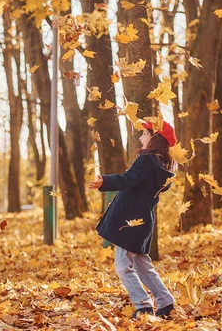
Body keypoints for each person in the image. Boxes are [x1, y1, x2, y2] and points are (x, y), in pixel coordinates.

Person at [89, 120, 177, 319]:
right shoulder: (163, 166)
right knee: (142, 265)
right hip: (143, 221)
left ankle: (143, 306)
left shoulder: (146, 161)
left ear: (154, 139)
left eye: (145, 134)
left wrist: (105, 181)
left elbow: (128, 179)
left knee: (122, 266)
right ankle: (166, 302)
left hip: (129, 222)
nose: (140, 137)